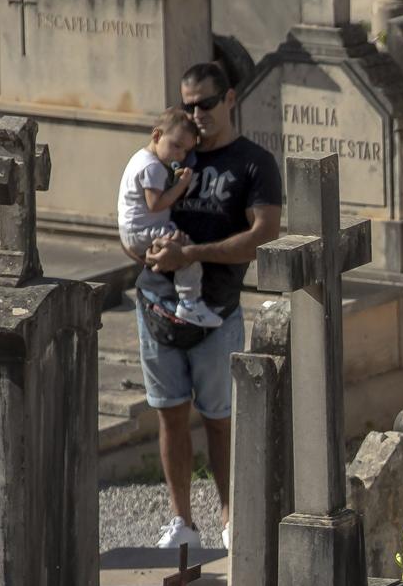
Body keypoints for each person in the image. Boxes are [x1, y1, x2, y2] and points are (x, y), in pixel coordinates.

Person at [129, 61, 283, 552]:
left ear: (230, 99)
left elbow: (262, 237)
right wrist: (139, 247)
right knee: (170, 414)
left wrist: (189, 255)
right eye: (188, 105)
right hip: (156, 303)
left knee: (220, 419)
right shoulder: (171, 154)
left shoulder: (253, 163)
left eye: (206, 104)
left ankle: (231, 517)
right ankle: (181, 521)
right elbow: (136, 209)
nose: (196, 114)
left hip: (217, 310)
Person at [118, 109, 221, 330]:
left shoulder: (141, 157)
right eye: (176, 146)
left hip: (134, 230)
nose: (180, 155)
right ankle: (189, 302)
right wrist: (182, 185)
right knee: (186, 252)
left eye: (185, 150)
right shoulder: (153, 167)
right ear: (157, 136)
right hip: (143, 231)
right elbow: (156, 204)